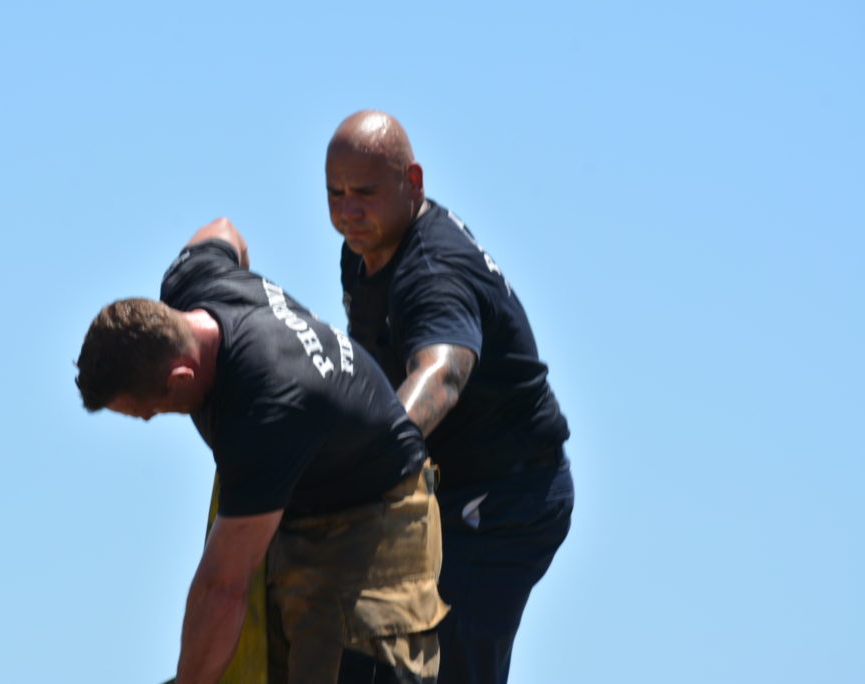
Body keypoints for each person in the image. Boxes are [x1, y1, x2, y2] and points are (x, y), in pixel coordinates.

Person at [74, 217, 448, 684]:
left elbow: (222, 586)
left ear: (181, 377)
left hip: (375, 517)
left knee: (344, 665)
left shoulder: (266, 406)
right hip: (301, 493)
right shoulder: (195, 282)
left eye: (150, 411)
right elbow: (223, 230)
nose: (152, 419)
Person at [325, 110, 575, 684]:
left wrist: (364, 460)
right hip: (444, 493)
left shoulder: (432, 273)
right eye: (335, 193)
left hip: (507, 502)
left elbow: (442, 373)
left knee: (448, 666)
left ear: (412, 182)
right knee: (361, 655)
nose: (348, 211)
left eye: (365, 192)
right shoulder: (364, 248)